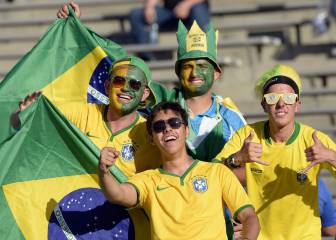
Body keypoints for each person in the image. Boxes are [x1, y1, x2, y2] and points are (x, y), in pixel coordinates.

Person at [98, 101, 260, 239]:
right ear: (151, 139)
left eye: (174, 123)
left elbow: (249, 217)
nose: (167, 129)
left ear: (186, 130)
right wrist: (104, 171)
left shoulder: (218, 172)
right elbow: (117, 194)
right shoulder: (148, 180)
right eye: (159, 126)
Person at [216, 64, 336, 239]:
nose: (281, 103)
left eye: (288, 97)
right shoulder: (248, 135)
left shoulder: (315, 139)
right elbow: (210, 174)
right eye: (272, 98)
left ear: (298, 105)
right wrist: (237, 158)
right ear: (264, 105)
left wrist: (331, 156)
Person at [156, 20, 246, 161]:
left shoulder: (231, 118)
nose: (194, 73)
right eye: (187, 67)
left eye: (202, 66)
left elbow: (247, 171)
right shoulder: (161, 104)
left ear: (216, 73)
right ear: (178, 73)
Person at [128, 0, 210, 59]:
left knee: (198, 9)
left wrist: (187, 4)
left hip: (194, 11)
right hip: (170, 12)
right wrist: (149, 7)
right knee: (136, 14)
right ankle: (146, 57)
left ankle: (200, 54)